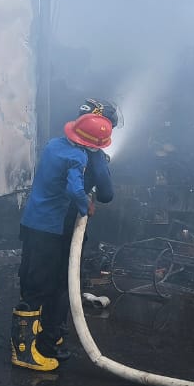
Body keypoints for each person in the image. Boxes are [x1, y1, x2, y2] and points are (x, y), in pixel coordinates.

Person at [11, 110, 115, 372]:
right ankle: (24, 353)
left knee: (51, 283)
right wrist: (85, 205)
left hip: (35, 223)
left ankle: (48, 337)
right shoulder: (77, 156)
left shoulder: (54, 145)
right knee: (39, 287)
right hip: (49, 229)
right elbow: (77, 189)